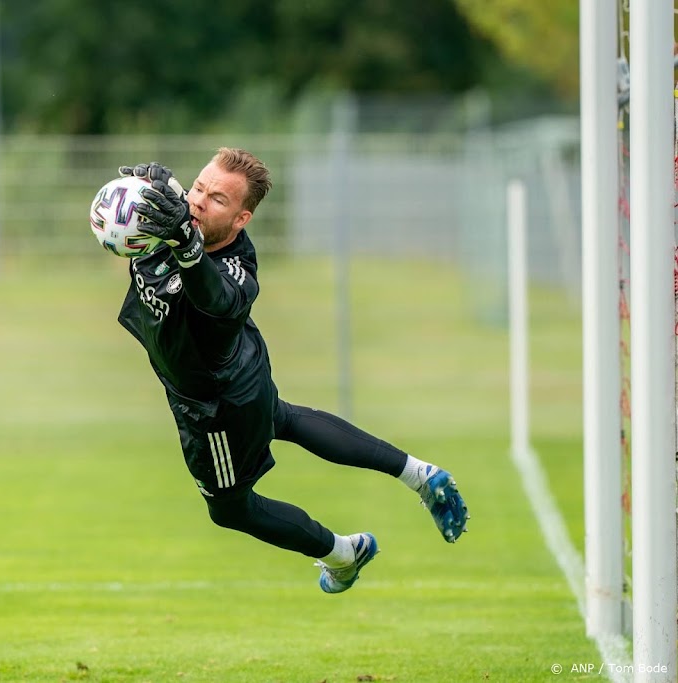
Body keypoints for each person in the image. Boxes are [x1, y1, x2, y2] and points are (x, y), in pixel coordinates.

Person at [114, 148, 468, 594]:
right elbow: (139, 228)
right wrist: (146, 193)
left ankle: (343, 553)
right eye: (198, 187)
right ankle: (421, 474)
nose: (200, 201)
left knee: (229, 510)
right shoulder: (176, 222)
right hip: (239, 368)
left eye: (218, 199)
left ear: (241, 219)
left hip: (217, 403)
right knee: (281, 418)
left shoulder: (234, 271)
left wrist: (186, 244)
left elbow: (215, 297)